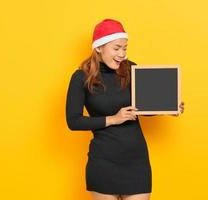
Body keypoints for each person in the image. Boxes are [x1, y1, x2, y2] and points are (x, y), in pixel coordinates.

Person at [65, 18, 185, 200]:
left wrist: (167, 107)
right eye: (116, 48)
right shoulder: (81, 77)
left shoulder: (130, 69)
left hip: (136, 160)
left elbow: (143, 106)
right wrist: (113, 118)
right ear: (99, 47)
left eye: (125, 48)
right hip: (103, 162)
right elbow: (73, 121)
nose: (122, 54)